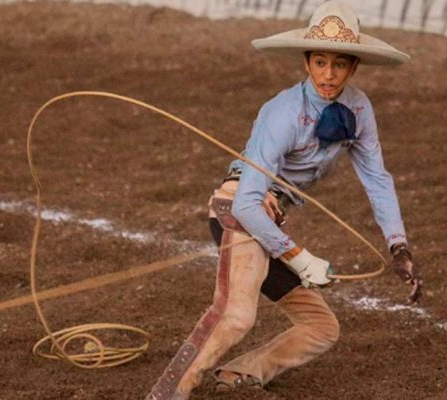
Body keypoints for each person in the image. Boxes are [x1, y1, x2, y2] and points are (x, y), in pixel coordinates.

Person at [145, 2, 421, 399]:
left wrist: (398, 245)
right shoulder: (281, 114)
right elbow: (245, 204)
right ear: (307, 62)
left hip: (272, 221)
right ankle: (169, 391)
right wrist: (297, 256)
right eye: (321, 62)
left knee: (322, 328)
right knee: (237, 315)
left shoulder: (359, 109)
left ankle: (240, 374)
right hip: (238, 210)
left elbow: (377, 178)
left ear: (353, 68)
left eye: (339, 64)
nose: (329, 74)